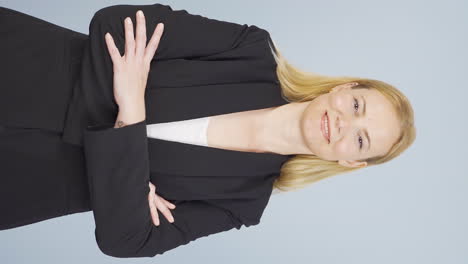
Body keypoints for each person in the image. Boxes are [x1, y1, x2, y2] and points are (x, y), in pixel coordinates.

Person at [0, 3, 416, 258]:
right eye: (357, 106)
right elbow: (117, 24)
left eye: (360, 138)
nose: (345, 123)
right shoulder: (250, 49)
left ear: (348, 160)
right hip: (22, 64)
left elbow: (125, 240)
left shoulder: (241, 204)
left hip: (21, 184)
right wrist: (123, 174)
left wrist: (132, 102)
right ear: (344, 89)